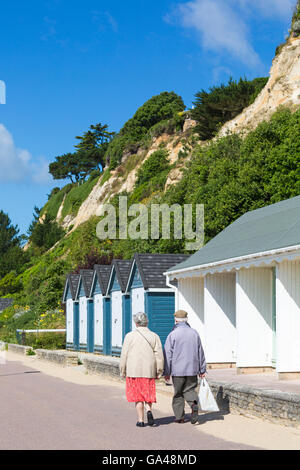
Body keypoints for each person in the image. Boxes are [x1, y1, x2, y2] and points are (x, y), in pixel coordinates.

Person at [120, 312, 164, 427]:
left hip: (133, 370)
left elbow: (124, 354)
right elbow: (159, 355)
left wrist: (122, 370)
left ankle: (140, 420)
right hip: (148, 370)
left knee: (137, 396)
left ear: (136, 323)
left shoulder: (129, 336)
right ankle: (149, 410)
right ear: (147, 322)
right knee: (147, 393)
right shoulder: (154, 336)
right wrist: (159, 371)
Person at [163, 310, 206, 425]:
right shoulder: (194, 333)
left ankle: (179, 417)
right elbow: (200, 352)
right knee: (190, 389)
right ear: (186, 320)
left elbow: (168, 354)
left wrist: (166, 371)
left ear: (176, 320)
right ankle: (193, 404)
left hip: (177, 370)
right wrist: (202, 369)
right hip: (192, 368)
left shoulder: (172, 334)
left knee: (178, 393)